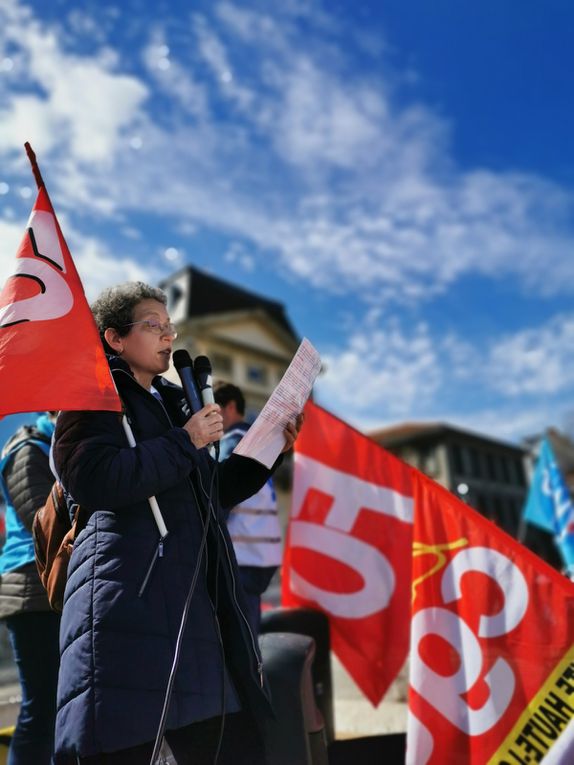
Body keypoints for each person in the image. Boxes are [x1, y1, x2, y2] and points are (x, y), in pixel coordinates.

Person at [51, 282, 302, 765]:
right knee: (125, 743)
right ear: (115, 338)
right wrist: (184, 441)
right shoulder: (93, 396)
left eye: (170, 327)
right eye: (153, 326)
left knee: (233, 741)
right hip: (128, 602)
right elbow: (91, 478)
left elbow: (213, 491)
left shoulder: (174, 403)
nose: (168, 336)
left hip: (193, 605)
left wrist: (270, 451)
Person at [0, 412, 61, 765]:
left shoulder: (50, 446)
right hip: (30, 593)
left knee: (54, 706)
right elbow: (42, 523)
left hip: (48, 590)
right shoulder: (28, 449)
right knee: (40, 708)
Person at [214, 383, 283, 631]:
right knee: (247, 630)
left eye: (213, 409)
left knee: (235, 637)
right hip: (262, 556)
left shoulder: (233, 442)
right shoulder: (258, 443)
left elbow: (215, 494)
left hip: (240, 554)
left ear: (230, 407)